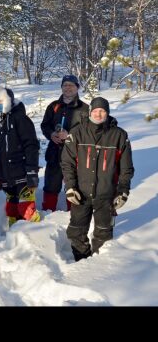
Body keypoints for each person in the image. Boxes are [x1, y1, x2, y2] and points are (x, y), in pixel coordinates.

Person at [62, 97, 134, 261]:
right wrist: (71, 187)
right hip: (81, 193)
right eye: (95, 110)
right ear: (90, 112)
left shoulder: (119, 135)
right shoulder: (77, 133)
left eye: (102, 111)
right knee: (75, 231)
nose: (99, 114)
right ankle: (81, 259)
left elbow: (126, 168)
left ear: (107, 113)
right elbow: (67, 163)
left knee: (104, 232)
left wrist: (123, 191)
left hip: (106, 194)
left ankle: (98, 264)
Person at [0, 87, 41, 226]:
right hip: (7, 178)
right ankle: (16, 242)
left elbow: (31, 146)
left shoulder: (21, 119)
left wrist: (32, 172)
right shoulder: (0, 124)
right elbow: (1, 154)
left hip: (23, 175)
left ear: (8, 101)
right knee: (12, 211)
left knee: (26, 210)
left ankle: (39, 236)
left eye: (1, 101)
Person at [40, 75, 88, 212]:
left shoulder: (84, 109)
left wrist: (70, 136)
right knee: (51, 184)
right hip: (54, 152)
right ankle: (48, 212)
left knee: (73, 185)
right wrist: (51, 134)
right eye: (65, 85)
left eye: (71, 85)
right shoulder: (53, 106)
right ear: (61, 87)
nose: (68, 88)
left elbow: (89, 133)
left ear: (77, 87)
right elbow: (45, 125)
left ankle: (73, 214)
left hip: (75, 154)